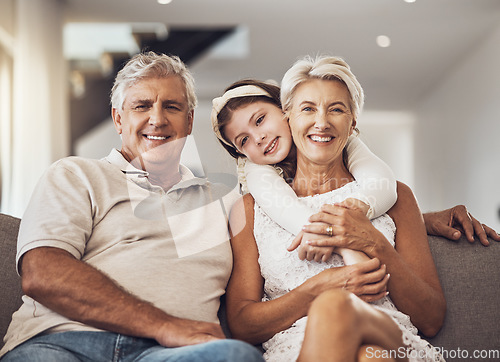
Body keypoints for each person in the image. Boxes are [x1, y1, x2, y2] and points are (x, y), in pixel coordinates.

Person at [216, 55, 497, 362]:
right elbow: (243, 323)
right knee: (367, 354)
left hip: (389, 334)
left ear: (352, 123)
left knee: (341, 313)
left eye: (336, 109)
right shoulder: (250, 209)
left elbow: (430, 318)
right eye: (308, 109)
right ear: (289, 117)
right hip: (303, 349)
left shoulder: (395, 196)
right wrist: (321, 287)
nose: (321, 122)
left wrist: (371, 241)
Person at [0, 52, 264, 362]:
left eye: (172, 107)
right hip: (62, 343)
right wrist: (164, 325)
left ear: (189, 120)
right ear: (118, 119)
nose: (158, 119)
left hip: (170, 355)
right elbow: (41, 273)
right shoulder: (75, 174)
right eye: (141, 106)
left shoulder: (227, 201)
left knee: (235, 356)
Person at [211, 78, 398, 265]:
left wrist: (353, 213)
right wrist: (345, 247)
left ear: (285, 108)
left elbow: (382, 185)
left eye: (260, 120)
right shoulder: (256, 171)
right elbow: (286, 209)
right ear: (241, 153)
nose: (258, 138)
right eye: (244, 140)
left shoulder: (333, 137)